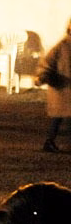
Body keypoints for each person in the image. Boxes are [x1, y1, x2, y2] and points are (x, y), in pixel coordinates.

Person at [35, 18, 71, 152]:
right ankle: (50, 141)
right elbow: (47, 64)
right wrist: (43, 77)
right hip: (62, 89)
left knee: (60, 119)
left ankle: (50, 142)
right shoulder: (61, 46)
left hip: (65, 89)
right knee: (59, 118)